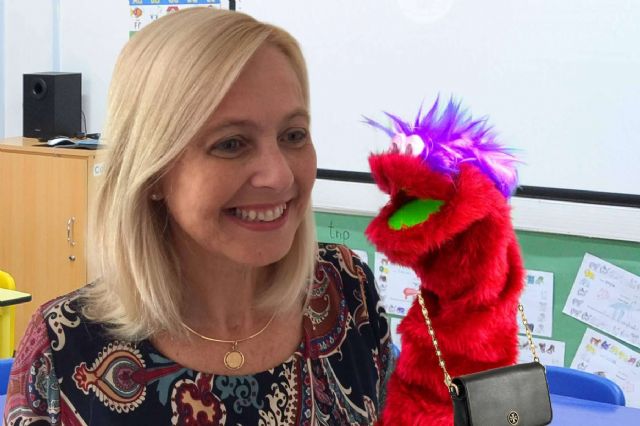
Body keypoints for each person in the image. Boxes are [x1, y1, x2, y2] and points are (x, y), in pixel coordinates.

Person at [3, 8, 393, 425]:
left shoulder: (346, 288)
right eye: (231, 144)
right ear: (153, 172)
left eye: (293, 135)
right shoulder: (62, 349)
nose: (279, 175)